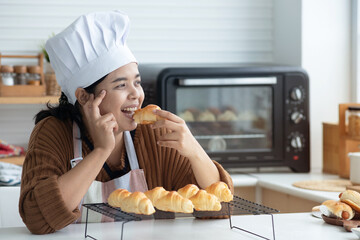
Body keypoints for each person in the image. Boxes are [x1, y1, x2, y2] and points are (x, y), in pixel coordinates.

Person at [19, 10, 233, 234]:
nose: (136, 95)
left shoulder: (154, 134)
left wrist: (195, 151)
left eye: (137, 83)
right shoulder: (53, 133)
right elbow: (37, 219)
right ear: (84, 96)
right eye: (121, 85)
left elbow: (219, 207)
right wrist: (102, 150)